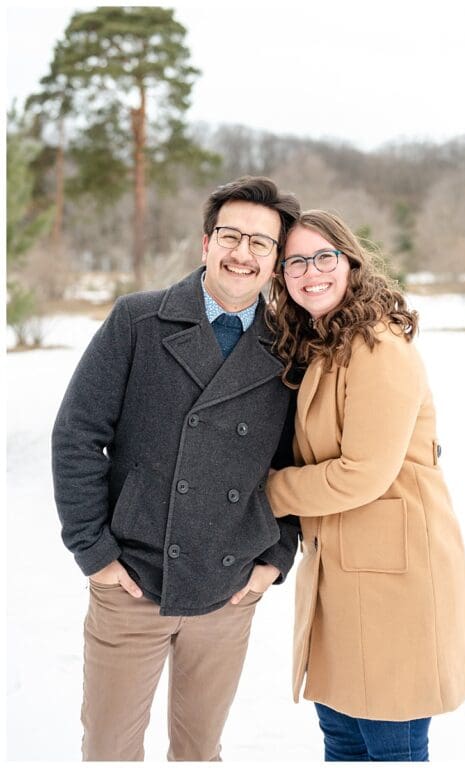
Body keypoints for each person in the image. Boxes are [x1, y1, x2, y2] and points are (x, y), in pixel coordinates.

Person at [51, 176, 303, 760]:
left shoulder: (290, 349)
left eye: (261, 243)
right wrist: (94, 552)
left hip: (227, 585)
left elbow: (294, 464)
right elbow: (77, 436)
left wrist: (274, 557)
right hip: (132, 580)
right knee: (109, 749)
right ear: (206, 243)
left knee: (199, 751)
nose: (243, 253)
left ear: (275, 261)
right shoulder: (137, 321)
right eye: (231, 236)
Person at [263, 209, 465, 762]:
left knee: (391, 744)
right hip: (341, 573)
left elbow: (364, 473)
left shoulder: (378, 348)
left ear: (351, 263)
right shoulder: (321, 343)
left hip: (394, 581)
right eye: (295, 262)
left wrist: (266, 491)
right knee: (344, 741)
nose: (311, 272)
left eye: (324, 257)